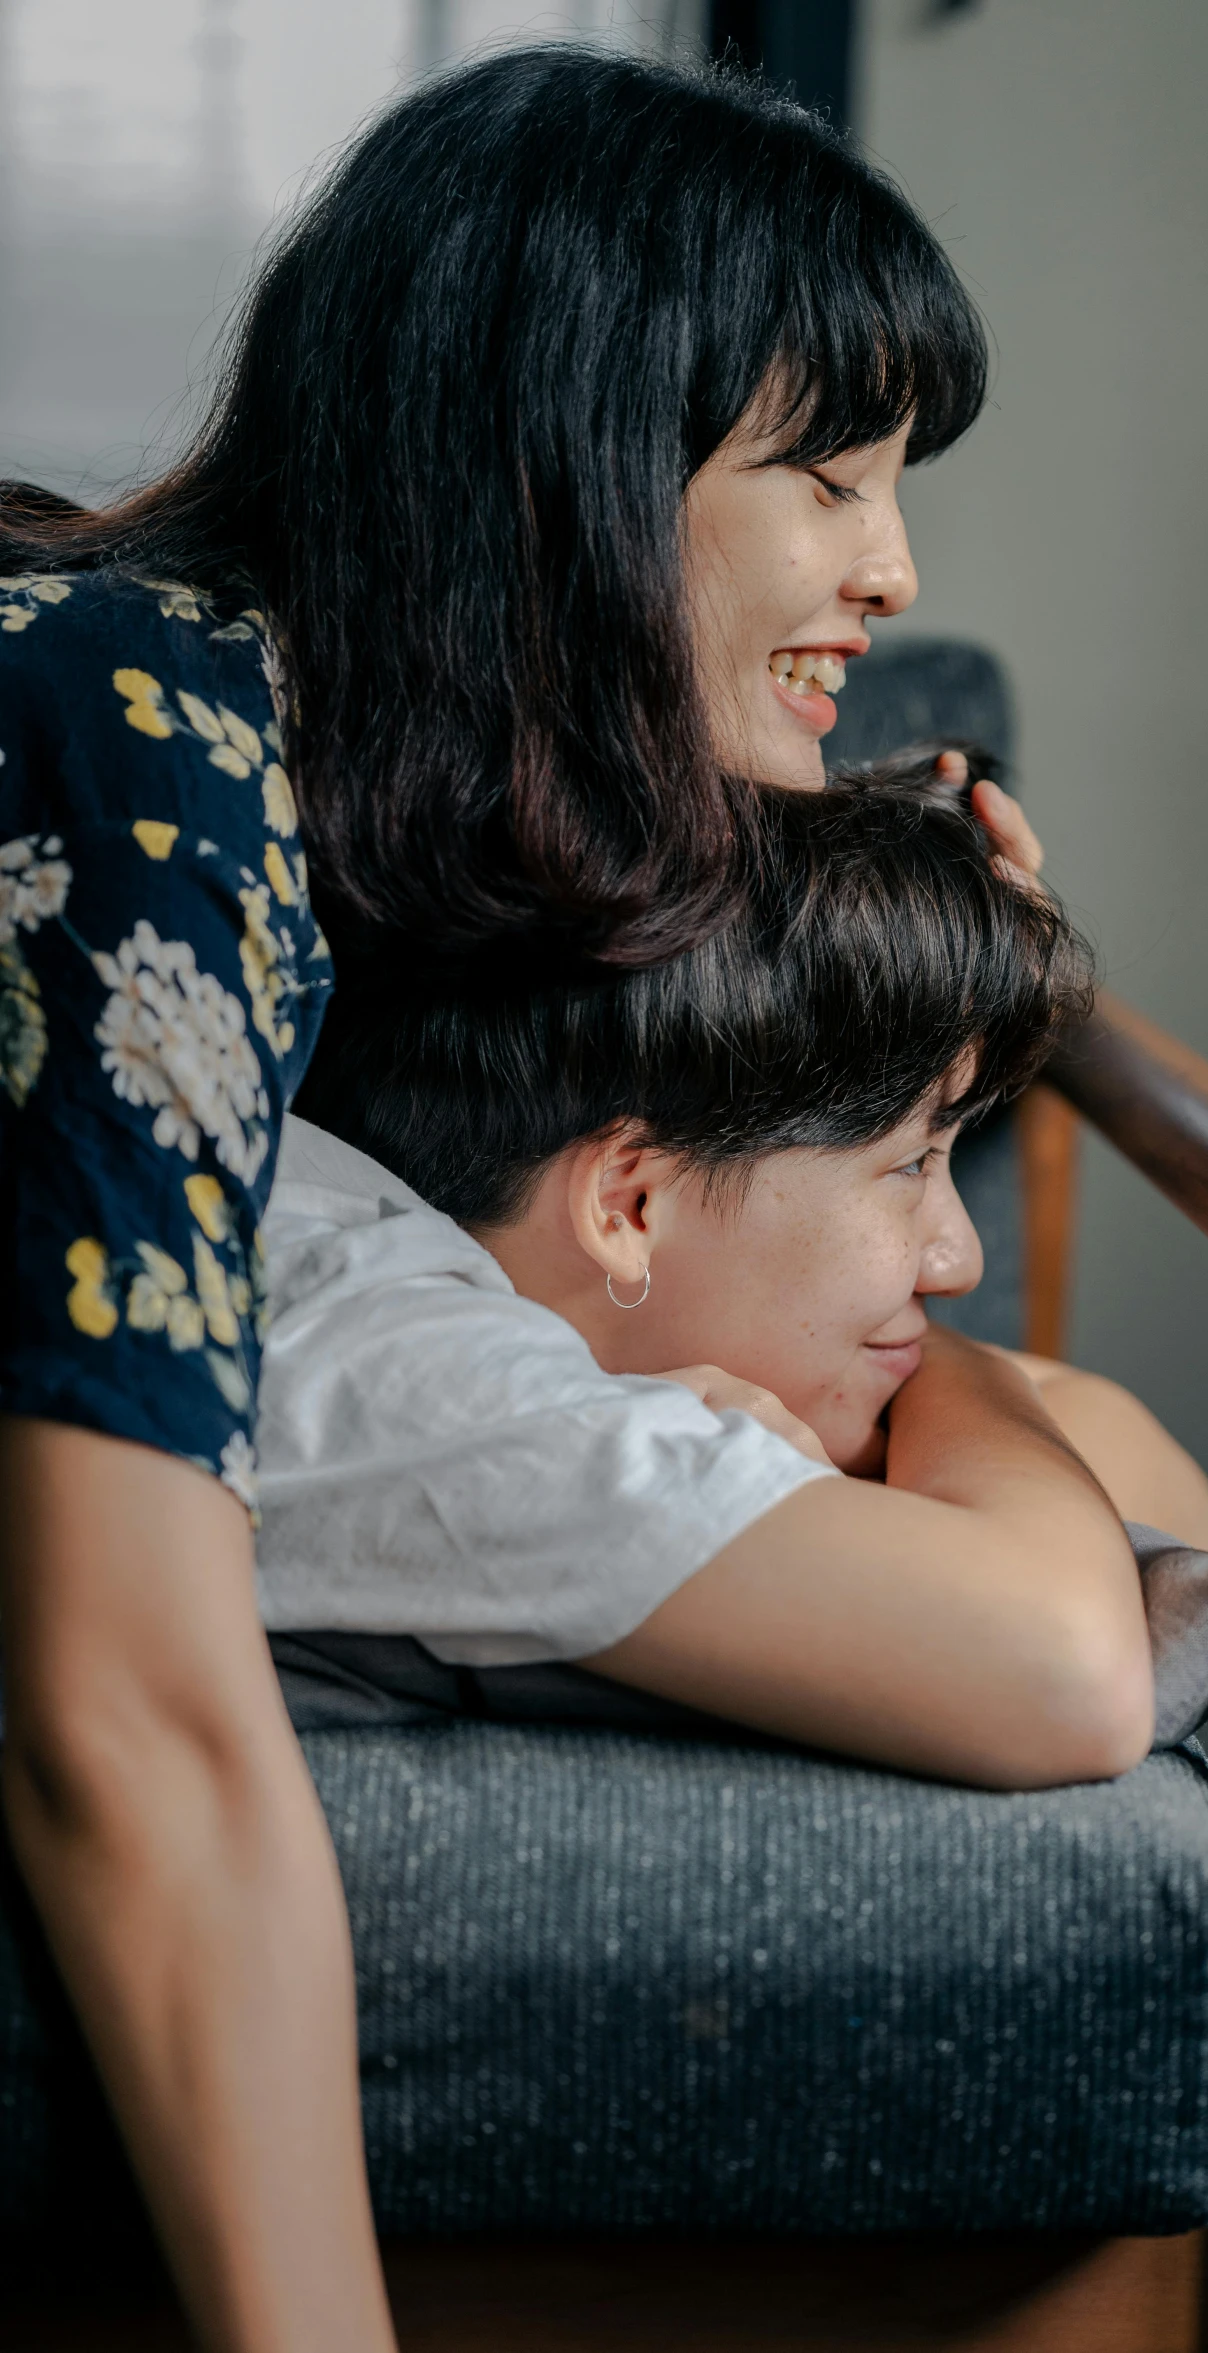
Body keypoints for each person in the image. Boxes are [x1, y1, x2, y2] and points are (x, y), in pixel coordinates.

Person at [0, 46, 1115, 2353]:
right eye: (824, 477)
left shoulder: (290, 762)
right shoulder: (144, 746)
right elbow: (131, 1718)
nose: (888, 571)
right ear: (572, 477)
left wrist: (902, 954)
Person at [259, 775, 1208, 1782]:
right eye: (907, 1164)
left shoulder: (404, 1263)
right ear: (629, 1208)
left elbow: (1154, 1473)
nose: (959, 1260)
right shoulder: (435, 1391)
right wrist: (958, 1377)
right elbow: (1076, 1669)